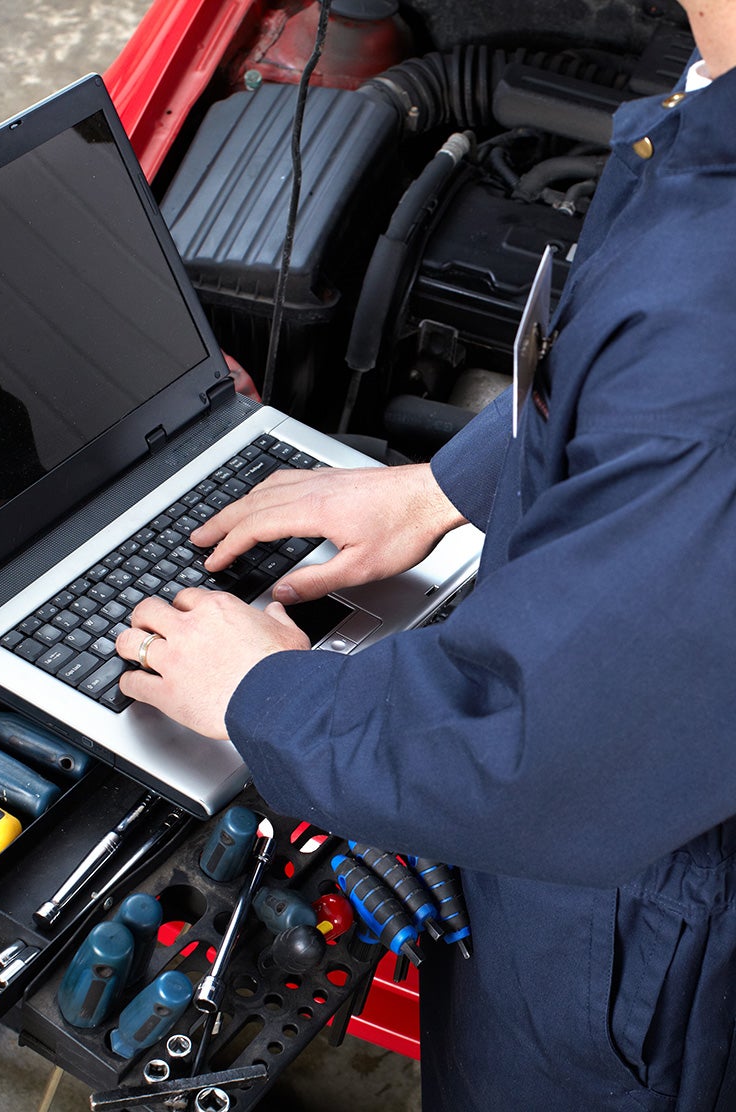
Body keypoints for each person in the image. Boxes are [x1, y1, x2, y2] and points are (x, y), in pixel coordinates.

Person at [116, 2, 736, 1107]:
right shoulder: (713, 107)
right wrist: (445, 487)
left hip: (646, 914)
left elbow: (550, 746)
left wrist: (266, 692)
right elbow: (644, 403)